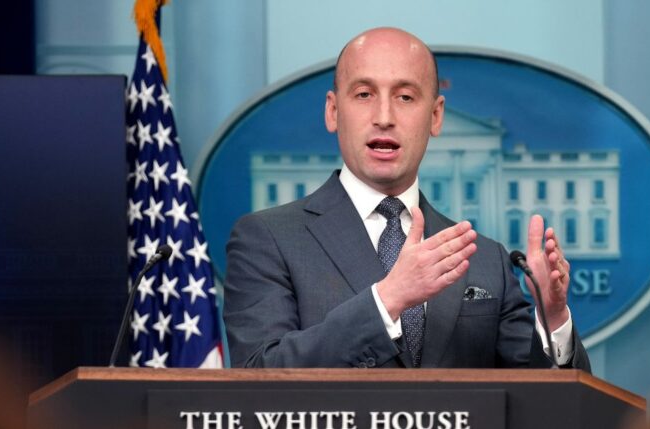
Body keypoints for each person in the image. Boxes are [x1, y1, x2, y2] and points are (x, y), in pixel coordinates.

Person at [224, 27, 591, 370]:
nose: (384, 117)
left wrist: (553, 316)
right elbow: (260, 374)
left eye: (405, 97)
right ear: (333, 111)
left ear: (435, 116)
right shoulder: (267, 239)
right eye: (364, 94)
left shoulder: (485, 260)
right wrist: (387, 300)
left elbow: (546, 402)